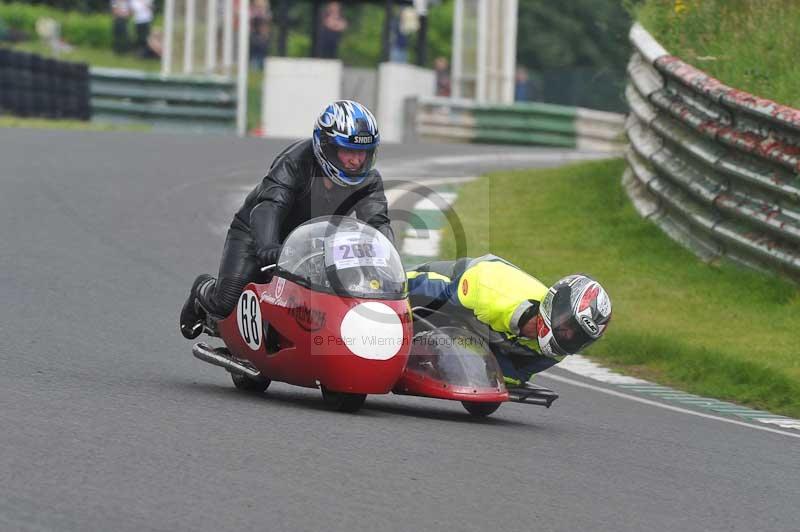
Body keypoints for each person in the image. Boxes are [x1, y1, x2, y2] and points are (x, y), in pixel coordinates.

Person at [180, 100, 391, 339]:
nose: (356, 160)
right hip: (260, 234)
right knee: (226, 301)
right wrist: (268, 246)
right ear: (327, 147)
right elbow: (269, 207)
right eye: (349, 151)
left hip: (316, 243)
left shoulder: (369, 181)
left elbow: (378, 223)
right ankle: (203, 290)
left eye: (363, 152)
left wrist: (384, 259)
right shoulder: (295, 162)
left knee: (353, 295)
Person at [406, 255, 612, 390]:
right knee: (403, 288)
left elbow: (514, 375)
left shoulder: (558, 352)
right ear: (556, 305)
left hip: (480, 331)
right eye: (569, 326)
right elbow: (431, 290)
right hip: (456, 282)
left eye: (579, 337)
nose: (569, 337)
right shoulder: (494, 295)